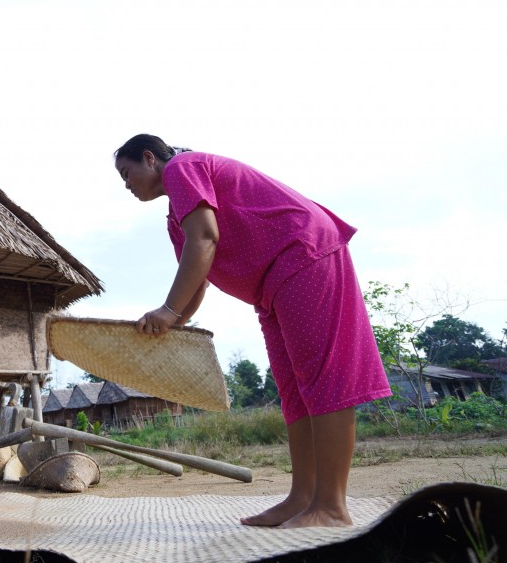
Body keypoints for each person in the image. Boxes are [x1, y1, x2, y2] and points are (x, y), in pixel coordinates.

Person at [114, 135, 391, 529]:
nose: (126, 185)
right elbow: (199, 279)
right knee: (294, 390)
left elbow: (206, 239)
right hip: (272, 286)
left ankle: (330, 506)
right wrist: (173, 324)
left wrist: (169, 310)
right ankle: (301, 498)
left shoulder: (182, 168)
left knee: (319, 377)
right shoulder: (177, 216)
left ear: (149, 159)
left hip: (301, 253)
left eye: (127, 173)